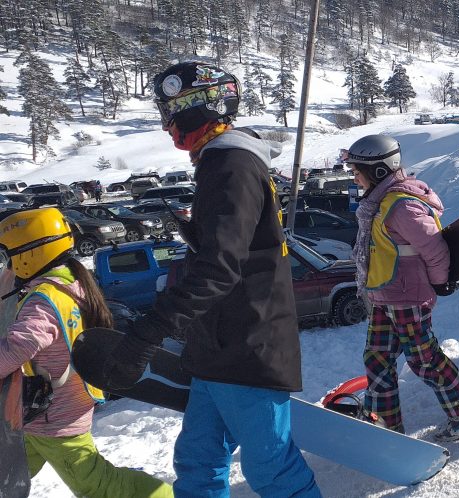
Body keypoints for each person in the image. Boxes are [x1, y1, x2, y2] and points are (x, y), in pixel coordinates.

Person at [102, 61, 321, 497]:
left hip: (247, 346)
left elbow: (221, 267)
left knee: (271, 470)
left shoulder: (231, 165)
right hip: (216, 347)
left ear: (198, 108)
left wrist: (148, 333)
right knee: (198, 461)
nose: (167, 125)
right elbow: (236, 247)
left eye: (171, 112)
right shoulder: (219, 163)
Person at [0, 208, 173, 497]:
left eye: (10, 255)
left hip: (55, 417)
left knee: (97, 484)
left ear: (29, 254)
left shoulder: (44, 299)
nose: (9, 265)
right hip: (44, 409)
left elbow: (21, 344)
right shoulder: (71, 279)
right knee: (9, 472)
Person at [345, 133, 459, 441]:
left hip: (408, 296)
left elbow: (435, 249)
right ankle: (385, 424)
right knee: (377, 358)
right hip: (385, 296)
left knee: (424, 359)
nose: (354, 176)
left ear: (379, 170)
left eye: (357, 170)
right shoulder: (377, 203)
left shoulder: (401, 206)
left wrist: (439, 282)